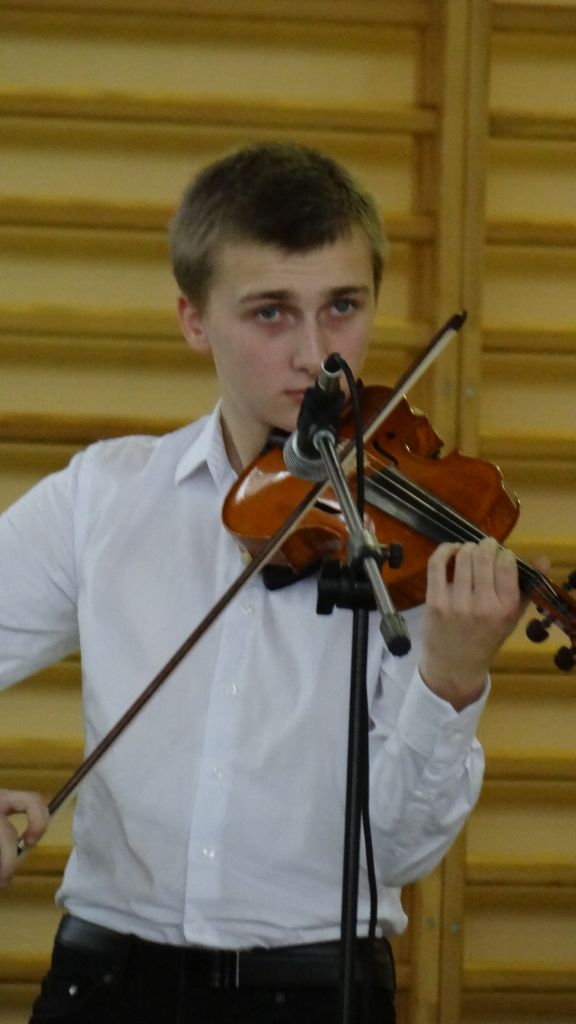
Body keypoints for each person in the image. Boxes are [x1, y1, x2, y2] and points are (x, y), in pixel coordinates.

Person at [0, 143, 529, 1024]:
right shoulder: (103, 497)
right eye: (271, 313)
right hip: (107, 984)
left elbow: (397, 853)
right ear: (194, 320)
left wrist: (450, 677)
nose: (317, 357)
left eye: (342, 307)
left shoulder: (409, 542)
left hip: (317, 993)